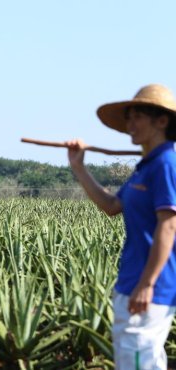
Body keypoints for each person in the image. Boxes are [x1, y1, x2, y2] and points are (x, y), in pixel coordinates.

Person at [65, 84, 176, 369]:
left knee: (139, 361)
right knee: (135, 360)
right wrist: (79, 167)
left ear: (161, 121)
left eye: (137, 117)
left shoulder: (166, 164)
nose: (130, 125)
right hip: (131, 282)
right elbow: (111, 206)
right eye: (128, 118)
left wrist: (147, 284)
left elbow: (169, 226)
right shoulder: (145, 166)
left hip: (150, 287)